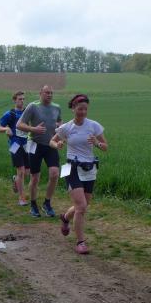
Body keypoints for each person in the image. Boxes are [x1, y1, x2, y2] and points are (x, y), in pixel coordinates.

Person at [49, 94, 108, 255]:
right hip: (70, 167)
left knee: (83, 205)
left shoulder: (94, 126)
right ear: (73, 108)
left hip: (89, 168)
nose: (82, 112)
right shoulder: (66, 127)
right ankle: (81, 242)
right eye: (80, 109)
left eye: (85, 109)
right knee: (81, 207)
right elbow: (51, 141)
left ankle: (65, 218)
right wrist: (57, 144)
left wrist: (97, 143)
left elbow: (105, 147)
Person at [17, 85, 63, 218]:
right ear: (40, 93)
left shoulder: (57, 107)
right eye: (47, 92)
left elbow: (60, 122)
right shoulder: (33, 106)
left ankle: (47, 203)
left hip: (51, 145)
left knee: (54, 174)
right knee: (35, 177)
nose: (49, 95)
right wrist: (33, 129)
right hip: (35, 145)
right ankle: (33, 204)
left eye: (51, 93)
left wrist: (60, 129)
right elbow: (19, 125)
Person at [0, 91, 30, 206]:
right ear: (14, 100)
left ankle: (15, 179)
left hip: (27, 144)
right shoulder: (10, 114)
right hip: (14, 145)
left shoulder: (27, 113)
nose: (22, 101)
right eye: (20, 99)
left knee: (27, 172)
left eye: (23, 99)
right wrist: (6, 129)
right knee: (21, 171)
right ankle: (21, 198)